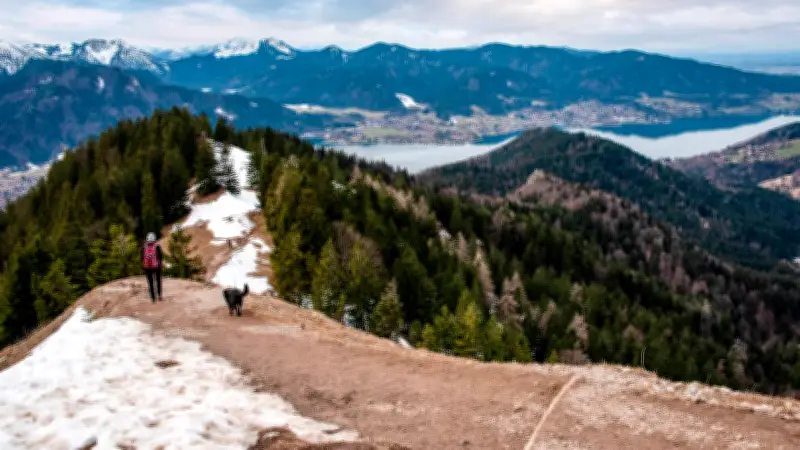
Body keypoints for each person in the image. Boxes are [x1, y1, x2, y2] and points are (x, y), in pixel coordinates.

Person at [141, 232, 164, 303]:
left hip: (147, 267)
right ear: (154, 239)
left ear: (147, 239)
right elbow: (161, 257)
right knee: (158, 280)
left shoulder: (144, 247)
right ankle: (159, 296)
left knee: (150, 282)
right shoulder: (157, 246)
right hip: (157, 267)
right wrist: (160, 264)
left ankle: (153, 298)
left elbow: (142, 258)